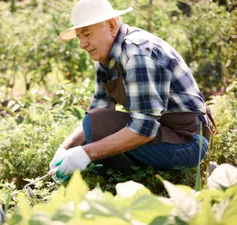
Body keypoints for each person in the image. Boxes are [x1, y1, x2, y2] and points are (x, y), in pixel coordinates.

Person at [49, 0, 216, 178]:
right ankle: (127, 178)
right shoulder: (106, 57)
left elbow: (144, 128)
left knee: (95, 137)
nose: (82, 44)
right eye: (79, 37)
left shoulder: (137, 53)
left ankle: (134, 181)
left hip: (188, 143)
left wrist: (86, 153)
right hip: (163, 132)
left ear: (112, 25)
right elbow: (98, 110)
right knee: (95, 123)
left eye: (87, 34)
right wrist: (65, 148)